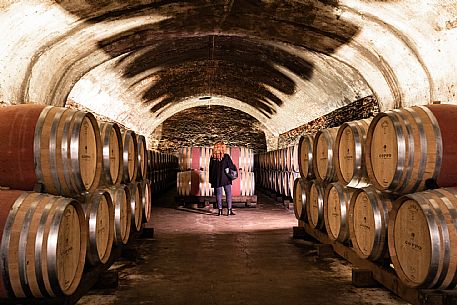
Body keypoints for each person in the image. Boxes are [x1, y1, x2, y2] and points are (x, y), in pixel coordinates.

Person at [209, 141, 236, 216]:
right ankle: (229, 210)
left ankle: (220, 211)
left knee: (218, 194)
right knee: (228, 194)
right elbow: (231, 166)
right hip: (226, 178)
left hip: (216, 179)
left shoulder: (213, 157)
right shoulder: (226, 156)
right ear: (223, 148)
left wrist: (211, 180)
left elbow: (210, 169)